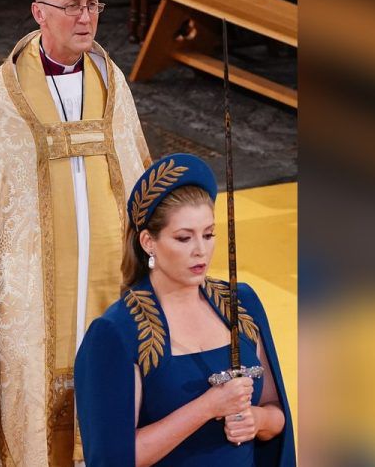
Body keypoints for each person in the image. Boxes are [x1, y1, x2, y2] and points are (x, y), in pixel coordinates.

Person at [0, 0, 151, 465]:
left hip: (107, 280)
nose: (86, 17)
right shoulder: (2, 96)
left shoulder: (111, 82)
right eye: (71, 5)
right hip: (28, 294)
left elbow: (138, 175)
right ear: (39, 13)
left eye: (93, 4)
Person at [74, 153, 295, 466]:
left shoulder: (241, 304)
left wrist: (257, 420)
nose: (200, 251)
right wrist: (207, 407)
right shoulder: (116, 332)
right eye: (183, 238)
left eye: (208, 234)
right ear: (149, 242)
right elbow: (113, 457)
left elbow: (277, 415)